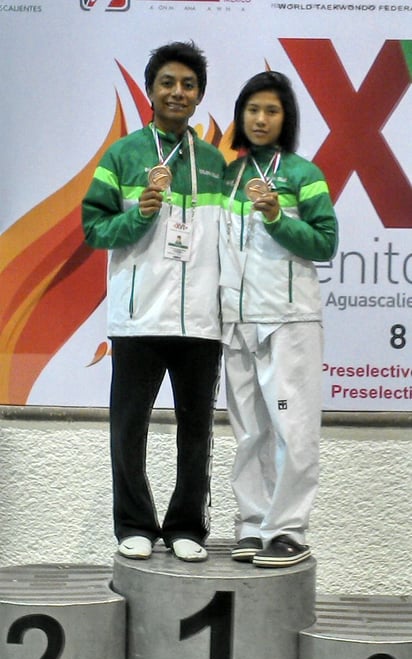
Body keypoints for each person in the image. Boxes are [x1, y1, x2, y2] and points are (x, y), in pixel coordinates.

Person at [82, 41, 225, 562]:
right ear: (150, 90)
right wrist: (138, 215)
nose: (177, 92)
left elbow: (227, 238)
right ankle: (135, 525)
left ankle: (187, 525)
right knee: (129, 426)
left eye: (188, 85)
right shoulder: (122, 155)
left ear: (199, 95)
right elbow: (94, 229)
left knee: (197, 428)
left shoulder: (213, 163)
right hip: (138, 316)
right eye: (168, 82)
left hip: (201, 322)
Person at [219, 71, 338, 568]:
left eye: (271, 110)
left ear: (285, 118)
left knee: (292, 428)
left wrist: (275, 218)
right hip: (235, 322)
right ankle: (251, 524)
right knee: (248, 432)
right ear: (240, 117)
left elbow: (325, 242)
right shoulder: (227, 177)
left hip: (288, 322)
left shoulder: (303, 174)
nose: (260, 119)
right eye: (252, 110)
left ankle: (287, 530)